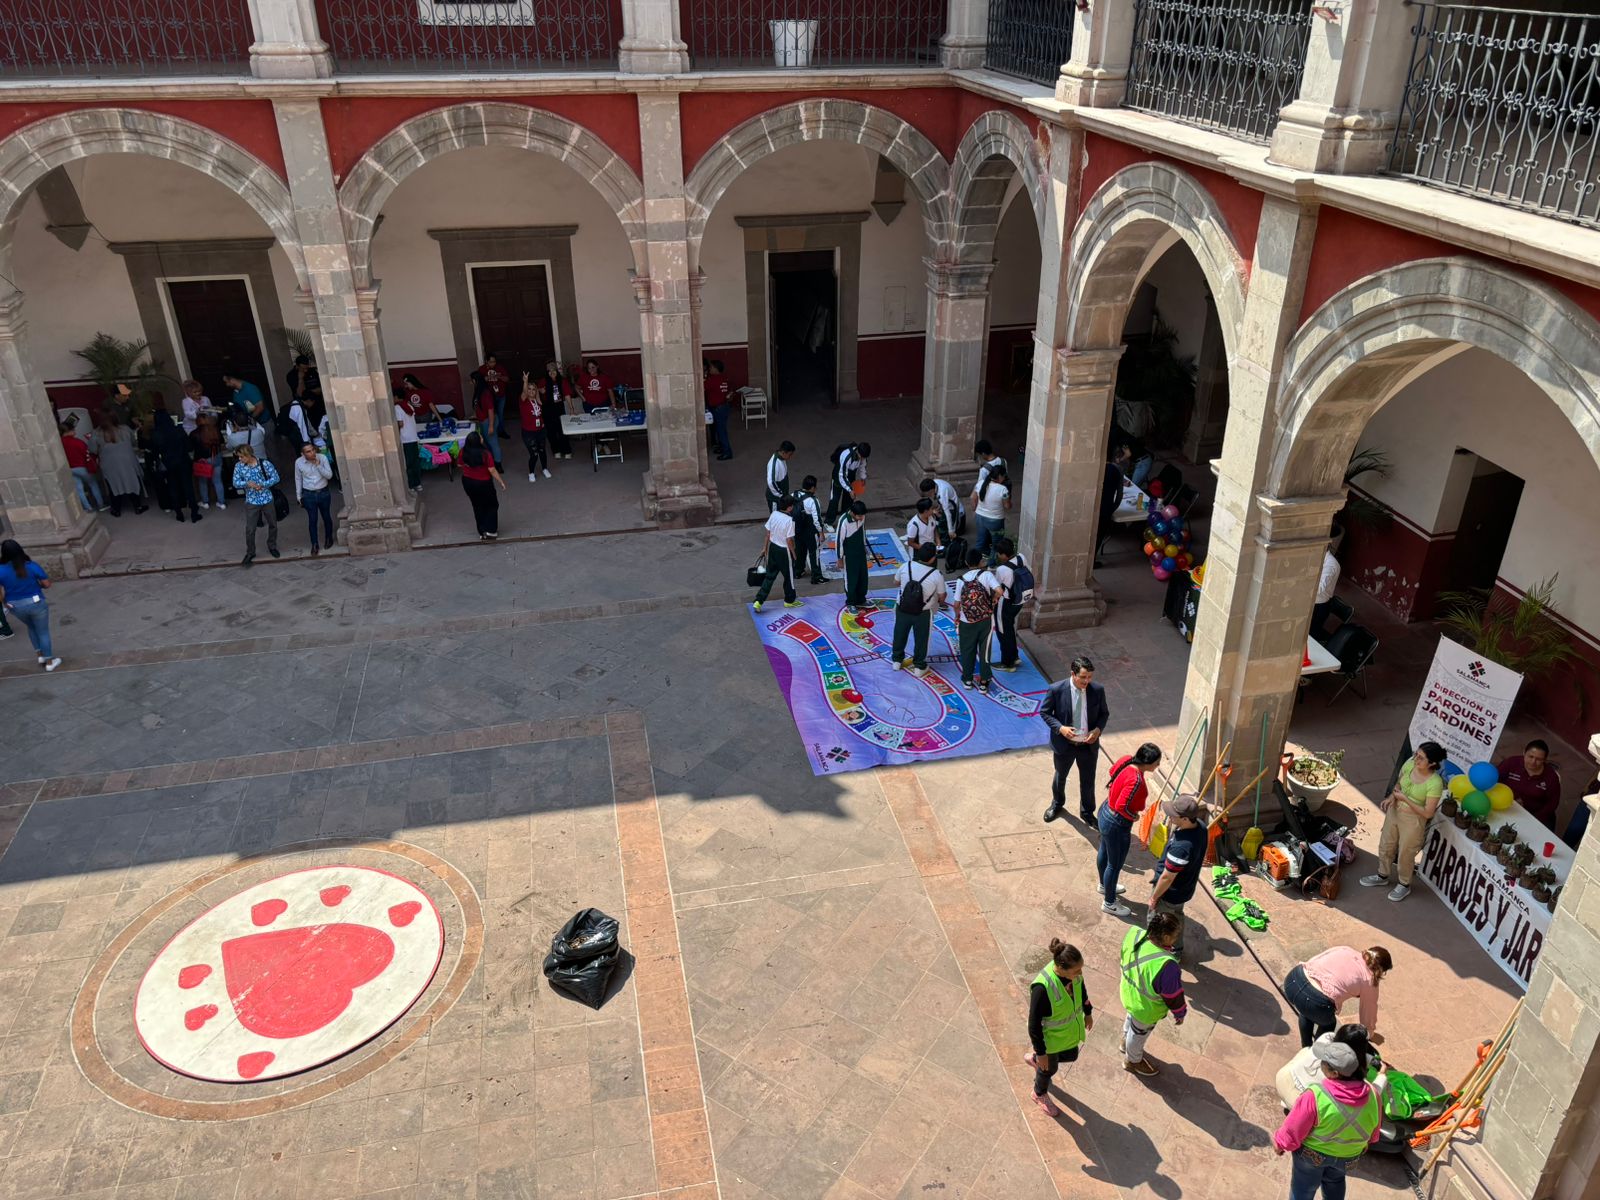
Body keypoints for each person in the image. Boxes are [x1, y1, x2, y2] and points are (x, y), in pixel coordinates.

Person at [1274, 1029, 1382, 1199]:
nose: (1321, 1063)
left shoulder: (1315, 1096)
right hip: (1348, 1156)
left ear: (1335, 1073)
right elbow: (1374, 1133)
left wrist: (1281, 1144)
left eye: (1324, 1062)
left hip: (1313, 1156)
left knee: (1303, 1188)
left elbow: (1293, 1128)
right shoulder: (1373, 1095)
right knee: (1335, 1182)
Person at [1360, 740, 1446, 901]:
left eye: (1421, 758)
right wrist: (1392, 797)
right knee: (1386, 845)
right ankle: (1382, 875)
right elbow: (1399, 784)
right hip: (1394, 812)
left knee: (1406, 853)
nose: (1416, 759)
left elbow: (1428, 813)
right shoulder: (1409, 765)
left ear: (1432, 763)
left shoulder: (1435, 783)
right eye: (1416, 754)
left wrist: (1405, 799)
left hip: (1413, 821)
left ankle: (1404, 884)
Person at [1024, 938, 1093, 1118]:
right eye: (1076, 971)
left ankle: (1036, 1061)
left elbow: (1082, 991)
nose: (1080, 973)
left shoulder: (1074, 975)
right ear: (1061, 968)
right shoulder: (1042, 988)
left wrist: (1088, 1012)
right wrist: (1041, 1052)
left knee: (1072, 1055)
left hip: (1067, 1034)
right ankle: (1039, 1093)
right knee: (1049, 1069)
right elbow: (1033, 1024)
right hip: (1050, 1041)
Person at [1040, 656, 1109, 823]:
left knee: (1088, 780)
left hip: (1088, 745)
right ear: (1073, 674)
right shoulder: (1056, 690)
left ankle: (1087, 812)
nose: (1087, 681)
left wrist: (1097, 730)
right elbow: (1045, 712)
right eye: (1083, 677)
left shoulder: (1097, 690)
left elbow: (1104, 714)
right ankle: (1057, 804)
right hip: (1065, 745)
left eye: (1090, 677)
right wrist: (1060, 728)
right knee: (1060, 776)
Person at [1097, 744, 1164, 915]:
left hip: (1105, 812)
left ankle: (1105, 885)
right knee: (1114, 865)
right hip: (1116, 823)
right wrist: (1133, 816)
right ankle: (1109, 902)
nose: (1158, 766)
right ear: (1148, 762)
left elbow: (1112, 771)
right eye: (1157, 762)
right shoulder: (1136, 781)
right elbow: (1122, 806)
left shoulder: (1126, 760)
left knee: (1104, 852)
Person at [1283, 946, 1392, 1048]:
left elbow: (1318, 958)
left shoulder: (1346, 949)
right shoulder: (1370, 980)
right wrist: (1368, 1033)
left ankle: (1305, 1046)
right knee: (1329, 1023)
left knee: (1306, 1010)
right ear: (1380, 970)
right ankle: (1316, 1053)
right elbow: (1368, 1012)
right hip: (1315, 1001)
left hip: (1293, 979)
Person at [1119, 912, 1186, 1077]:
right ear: (1166, 937)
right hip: (1145, 1008)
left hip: (1129, 993)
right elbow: (1173, 996)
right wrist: (1180, 1013)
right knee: (1138, 1034)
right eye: (1175, 936)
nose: (1176, 939)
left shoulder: (1134, 934)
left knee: (1131, 1020)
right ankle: (1132, 1061)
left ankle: (1125, 1041)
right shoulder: (1167, 966)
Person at [1148, 793, 1208, 954]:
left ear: (1186, 819)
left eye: (1174, 815)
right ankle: (1177, 948)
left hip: (1170, 892)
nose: (1170, 817)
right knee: (1176, 917)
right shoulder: (1201, 827)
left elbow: (1167, 877)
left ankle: (1158, 950)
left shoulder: (1181, 847)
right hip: (1185, 888)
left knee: (1159, 923)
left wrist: (1154, 897)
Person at [0, 540, 61, 671]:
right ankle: (50, 662)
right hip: (36, 604)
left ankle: (40, 656)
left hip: (15, 607)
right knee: (43, 632)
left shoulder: (1, 570)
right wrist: (37, 585)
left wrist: (6, 603)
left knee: (31, 627)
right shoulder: (31, 566)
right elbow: (47, 584)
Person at [891, 543, 943, 675]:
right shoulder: (936, 574)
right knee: (922, 639)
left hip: (902, 607)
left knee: (899, 633)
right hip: (923, 612)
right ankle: (919, 667)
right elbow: (942, 596)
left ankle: (897, 661)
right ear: (933, 558)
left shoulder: (906, 565)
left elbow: (895, 582)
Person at [954, 548, 1002, 693]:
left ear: (966, 562)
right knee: (985, 650)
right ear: (981, 562)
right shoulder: (986, 575)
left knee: (967, 650)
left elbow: (956, 604)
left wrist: (957, 616)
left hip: (966, 621)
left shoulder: (961, 580)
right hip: (985, 619)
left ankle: (967, 679)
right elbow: (999, 591)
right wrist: (993, 600)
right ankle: (984, 681)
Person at [1497, 739, 1562, 830]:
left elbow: (1552, 804)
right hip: (1508, 806)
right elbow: (1495, 781)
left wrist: (1533, 819)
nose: (1533, 762)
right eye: (1530, 756)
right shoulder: (1511, 763)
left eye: (1539, 759)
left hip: (1536, 815)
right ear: (1524, 753)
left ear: (1545, 760)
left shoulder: (1551, 777)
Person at [752, 494, 802, 613]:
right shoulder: (790, 520)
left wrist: (765, 548)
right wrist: (794, 554)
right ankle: (789, 600)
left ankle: (758, 601)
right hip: (784, 551)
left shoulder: (774, 514)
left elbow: (768, 534)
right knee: (789, 577)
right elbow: (789, 540)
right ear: (789, 508)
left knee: (769, 576)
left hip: (773, 548)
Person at [231, 444, 279, 565]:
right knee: (250, 529)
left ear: (248, 455)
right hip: (251, 501)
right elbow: (235, 482)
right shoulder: (239, 466)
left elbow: (276, 478)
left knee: (273, 524)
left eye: (241, 456)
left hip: (267, 499)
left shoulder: (264, 464)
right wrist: (247, 484)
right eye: (238, 457)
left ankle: (272, 546)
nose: (239, 459)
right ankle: (250, 552)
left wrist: (263, 484)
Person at [152, 410, 201, 523]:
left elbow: (155, 452)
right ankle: (194, 512)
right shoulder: (178, 430)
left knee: (173, 488)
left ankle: (179, 514)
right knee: (188, 487)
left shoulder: (156, 434)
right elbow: (189, 446)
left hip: (168, 463)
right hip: (183, 461)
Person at [92, 412, 146, 517]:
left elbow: (93, 449)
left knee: (113, 486)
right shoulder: (125, 429)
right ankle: (138, 506)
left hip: (109, 464)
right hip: (128, 461)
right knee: (132, 482)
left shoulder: (96, 433)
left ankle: (116, 509)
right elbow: (134, 443)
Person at [991, 537, 1031, 671]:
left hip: (1005, 603)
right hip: (1019, 600)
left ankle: (1007, 663)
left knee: (1003, 632)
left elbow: (998, 589)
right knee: (1009, 628)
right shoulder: (1021, 557)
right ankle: (1014, 656)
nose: (998, 556)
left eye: (998, 553)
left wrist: (993, 600)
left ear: (1003, 554)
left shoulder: (1001, 569)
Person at [459, 431, 507, 539]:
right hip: (484, 483)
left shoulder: (463, 452)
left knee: (477, 506)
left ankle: (482, 531)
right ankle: (491, 530)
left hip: (468, 482)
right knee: (492, 505)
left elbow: (459, 465)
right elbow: (492, 470)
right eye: (480, 437)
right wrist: (501, 481)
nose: (482, 438)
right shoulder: (485, 454)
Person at [294, 441, 335, 555]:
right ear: (303, 454)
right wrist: (299, 496)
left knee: (326, 516)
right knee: (312, 520)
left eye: (313, 450)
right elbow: (298, 479)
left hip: (323, 492)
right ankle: (314, 544)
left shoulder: (322, 458)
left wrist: (318, 465)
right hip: (309, 494)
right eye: (308, 451)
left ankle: (329, 538)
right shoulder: (298, 462)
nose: (312, 453)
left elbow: (329, 475)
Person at [1096, 444, 1131, 568]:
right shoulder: (1118, 470)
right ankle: (1092, 561)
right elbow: (1119, 495)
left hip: (1095, 504)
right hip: (1106, 507)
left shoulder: (1099, 467)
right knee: (1099, 534)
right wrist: (1113, 508)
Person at [60, 418, 102, 512]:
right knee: (93, 484)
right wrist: (93, 467)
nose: (75, 431)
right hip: (82, 467)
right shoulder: (78, 442)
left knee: (79, 489)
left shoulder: (60, 443)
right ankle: (101, 504)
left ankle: (87, 507)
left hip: (70, 468)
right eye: (73, 429)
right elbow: (87, 455)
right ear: (69, 431)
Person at [971, 465, 1010, 561]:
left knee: (980, 542)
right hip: (995, 520)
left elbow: (973, 498)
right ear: (1000, 476)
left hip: (980, 517)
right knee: (996, 544)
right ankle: (991, 564)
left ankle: (974, 562)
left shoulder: (980, 483)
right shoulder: (1003, 489)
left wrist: (975, 510)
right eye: (1004, 476)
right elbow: (1007, 506)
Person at [518, 371, 551, 483]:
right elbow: (524, 392)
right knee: (534, 454)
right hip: (528, 432)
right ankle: (531, 473)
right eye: (529, 389)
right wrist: (525, 381)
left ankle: (545, 469)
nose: (531, 391)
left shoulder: (538, 401)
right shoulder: (523, 401)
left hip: (540, 430)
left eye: (533, 389)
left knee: (542, 451)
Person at [837, 500, 870, 613]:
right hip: (849, 555)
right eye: (859, 516)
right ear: (852, 513)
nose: (861, 518)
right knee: (851, 579)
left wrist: (864, 546)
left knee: (863, 577)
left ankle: (861, 599)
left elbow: (862, 531)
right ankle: (851, 602)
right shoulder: (844, 521)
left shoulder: (861, 516)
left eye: (862, 516)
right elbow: (839, 541)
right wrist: (839, 558)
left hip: (860, 552)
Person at [189, 412, 226, 511]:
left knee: (203, 482)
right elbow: (222, 443)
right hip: (216, 457)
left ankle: (205, 502)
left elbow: (190, 448)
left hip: (203, 460)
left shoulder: (194, 433)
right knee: (218, 481)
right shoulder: (215, 430)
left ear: (197, 422)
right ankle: (221, 502)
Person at [792, 476, 825, 585]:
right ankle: (816, 576)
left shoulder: (793, 495)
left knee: (799, 550)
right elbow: (817, 519)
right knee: (814, 553)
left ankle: (798, 571)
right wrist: (821, 532)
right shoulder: (813, 501)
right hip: (810, 531)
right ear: (812, 488)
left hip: (797, 529)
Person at [538, 361, 575, 460]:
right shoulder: (543, 381)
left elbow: (567, 395)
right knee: (551, 431)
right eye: (549, 371)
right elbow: (535, 393)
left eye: (553, 370)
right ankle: (556, 450)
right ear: (547, 372)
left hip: (559, 407)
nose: (551, 373)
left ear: (556, 371)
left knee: (562, 429)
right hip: (547, 408)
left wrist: (571, 409)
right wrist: (540, 391)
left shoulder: (562, 381)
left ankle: (567, 450)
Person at [827, 442, 870, 522]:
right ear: (858, 452)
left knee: (849, 499)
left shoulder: (863, 456)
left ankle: (845, 517)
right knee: (835, 499)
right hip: (839, 476)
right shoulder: (847, 456)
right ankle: (828, 521)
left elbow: (862, 466)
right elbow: (842, 475)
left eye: (864, 457)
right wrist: (850, 489)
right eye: (861, 457)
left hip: (851, 475)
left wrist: (863, 477)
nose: (862, 459)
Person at [470, 371, 502, 468]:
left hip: (488, 421)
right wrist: (475, 416)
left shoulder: (485, 393)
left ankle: (498, 465)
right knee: (487, 442)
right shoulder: (478, 391)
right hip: (483, 421)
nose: (470, 382)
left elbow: (490, 410)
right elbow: (478, 406)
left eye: (471, 380)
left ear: (475, 381)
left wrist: (491, 426)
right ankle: (492, 460)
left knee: (493, 442)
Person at [919, 475, 964, 546]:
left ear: (931, 490)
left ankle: (945, 543)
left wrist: (951, 531)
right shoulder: (934, 482)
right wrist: (939, 507)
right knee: (940, 519)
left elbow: (948, 514)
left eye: (927, 494)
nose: (927, 495)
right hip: (946, 504)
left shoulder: (942, 494)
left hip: (953, 508)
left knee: (943, 528)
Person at [476, 353, 511, 440]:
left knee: (500, 414)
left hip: (500, 395)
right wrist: (487, 378)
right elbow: (477, 381)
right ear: (486, 361)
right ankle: (491, 431)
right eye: (491, 362)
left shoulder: (500, 367)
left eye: (494, 361)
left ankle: (501, 431)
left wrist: (499, 376)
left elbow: (507, 379)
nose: (493, 363)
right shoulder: (482, 369)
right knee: (490, 415)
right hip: (489, 398)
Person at [1311, 543, 1342, 638]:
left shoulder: (1331, 564)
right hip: (1312, 603)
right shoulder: (1318, 558)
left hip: (1318, 607)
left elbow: (1320, 588)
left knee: (1308, 636)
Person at [705, 359, 734, 461]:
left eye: (711, 367)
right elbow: (729, 392)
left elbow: (702, 387)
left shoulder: (712, 380)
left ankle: (727, 452)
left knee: (721, 431)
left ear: (716, 369)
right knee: (720, 430)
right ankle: (722, 447)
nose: (710, 369)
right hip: (724, 407)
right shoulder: (724, 379)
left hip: (717, 408)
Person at [395, 395, 422, 493]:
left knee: (408, 463)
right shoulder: (409, 405)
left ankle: (411, 485)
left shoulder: (397, 407)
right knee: (415, 462)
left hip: (405, 439)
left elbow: (400, 424)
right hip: (413, 437)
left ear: (396, 397)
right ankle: (418, 484)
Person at [764, 441, 794, 512]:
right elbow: (771, 482)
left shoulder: (782, 459)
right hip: (775, 499)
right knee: (775, 516)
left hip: (781, 497)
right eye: (790, 454)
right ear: (783, 452)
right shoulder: (774, 464)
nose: (790, 457)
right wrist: (781, 495)